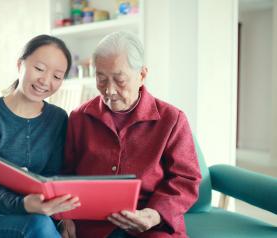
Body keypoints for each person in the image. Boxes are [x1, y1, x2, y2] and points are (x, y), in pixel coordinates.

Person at [62, 31, 202, 238]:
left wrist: (154, 215)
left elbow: (186, 179)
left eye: (119, 80)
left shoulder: (172, 119)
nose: (109, 90)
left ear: (142, 75)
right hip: (93, 225)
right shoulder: (79, 117)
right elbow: (65, 174)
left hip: (150, 223)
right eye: (101, 79)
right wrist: (66, 216)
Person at [0, 35, 80, 238]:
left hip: (39, 217)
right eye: (39, 69)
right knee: (39, 225)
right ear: (20, 65)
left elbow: (53, 175)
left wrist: (62, 216)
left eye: (57, 76)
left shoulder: (58, 118)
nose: (45, 81)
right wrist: (24, 204)